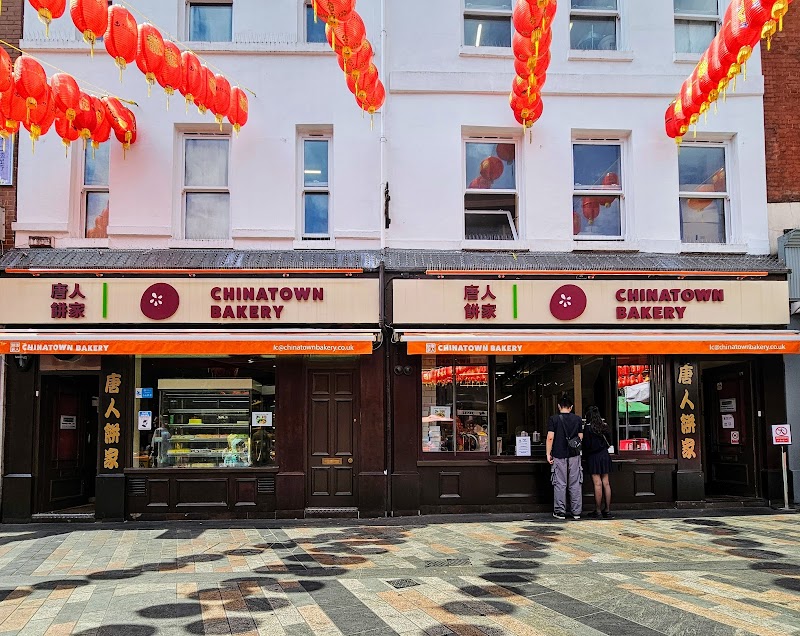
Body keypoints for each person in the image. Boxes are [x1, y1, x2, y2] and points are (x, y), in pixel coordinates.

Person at [546, 393, 583, 520]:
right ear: (571, 407)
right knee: (575, 483)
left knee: (560, 483)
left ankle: (560, 511)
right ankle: (576, 512)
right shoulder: (577, 419)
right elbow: (580, 437)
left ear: (558, 406)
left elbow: (550, 437)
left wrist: (548, 453)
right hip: (574, 455)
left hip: (558, 454)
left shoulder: (554, 419)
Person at [582, 405, 613, 519]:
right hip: (604, 455)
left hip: (593, 457)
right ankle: (608, 510)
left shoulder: (588, 428)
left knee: (597, 483)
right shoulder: (604, 426)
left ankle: (598, 510)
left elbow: (586, 445)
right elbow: (609, 441)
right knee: (606, 483)